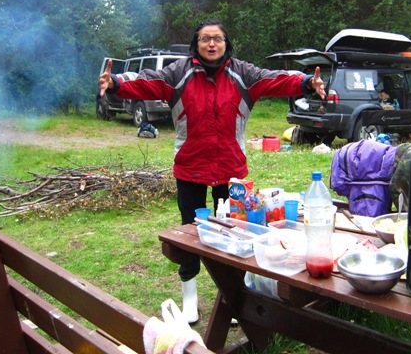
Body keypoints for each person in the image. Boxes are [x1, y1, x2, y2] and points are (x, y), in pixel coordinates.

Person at [98, 19, 325, 323]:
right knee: (189, 234)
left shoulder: (243, 73)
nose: (211, 44)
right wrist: (116, 82)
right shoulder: (178, 73)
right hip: (190, 167)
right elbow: (147, 80)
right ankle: (189, 300)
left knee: (235, 234)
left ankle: (233, 298)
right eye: (205, 39)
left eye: (217, 38)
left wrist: (306, 82)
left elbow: (275, 79)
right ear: (196, 44)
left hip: (231, 170)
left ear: (226, 43)